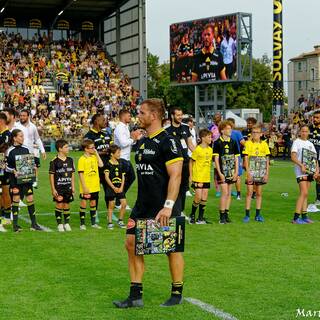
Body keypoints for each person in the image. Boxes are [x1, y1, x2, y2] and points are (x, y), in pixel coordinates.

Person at [113, 98, 184, 308]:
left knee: (171, 249)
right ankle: (135, 295)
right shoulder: (142, 143)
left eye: (142, 113)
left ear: (153, 116)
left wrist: (168, 205)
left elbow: (176, 175)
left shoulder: (168, 141)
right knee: (131, 244)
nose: (139, 116)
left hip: (164, 206)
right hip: (142, 205)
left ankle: (176, 293)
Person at [6, 129, 43, 232]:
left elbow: (31, 162)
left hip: (26, 179)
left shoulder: (26, 149)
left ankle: (34, 224)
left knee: (30, 198)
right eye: (21, 136)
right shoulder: (9, 151)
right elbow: (5, 167)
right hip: (15, 180)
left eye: (23, 136)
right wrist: (13, 170)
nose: (23, 138)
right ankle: (15, 225)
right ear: (15, 138)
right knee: (16, 200)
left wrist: (34, 167)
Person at [166, 107, 195, 216]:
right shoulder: (167, 131)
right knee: (173, 187)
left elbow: (190, 144)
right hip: (173, 164)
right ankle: (171, 209)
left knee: (183, 188)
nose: (180, 117)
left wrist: (199, 154)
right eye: (178, 115)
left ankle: (180, 210)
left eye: (181, 115)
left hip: (185, 163)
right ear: (172, 116)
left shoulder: (186, 128)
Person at [84, 113, 112, 221]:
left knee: (109, 191)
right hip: (95, 168)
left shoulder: (106, 134)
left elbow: (111, 146)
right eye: (102, 120)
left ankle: (109, 213)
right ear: (96, 121)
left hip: (107, 167)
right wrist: (101, 153)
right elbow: (87, 151)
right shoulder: (89, 136)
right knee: (95, 192)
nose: (105, 121)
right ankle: (94, 213)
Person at [213, 121, 239, 224]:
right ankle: (221, 216)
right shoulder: (217, 142)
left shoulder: (233, 142)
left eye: (230, 128)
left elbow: (237, 158)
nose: (230, 130)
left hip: (231, 171)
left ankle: (226, 214)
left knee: (229, 194)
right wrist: (220, 173)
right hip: (222, 172)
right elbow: (216, 159)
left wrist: (236, 172)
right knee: (224, 193)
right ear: (222, 130)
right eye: (228, 128)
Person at [242, 125, 270, 223]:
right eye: (253, 132)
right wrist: (248, 172)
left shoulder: (264, 144)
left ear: (261, 134)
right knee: (249, 193)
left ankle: (258, 215)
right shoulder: (248, 144)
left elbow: (267, 160)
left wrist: (267, 173)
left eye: (257, 132)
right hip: (251, 171)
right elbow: (245, 158)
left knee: (259, 193)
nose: (255, 134)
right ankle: (247, 215)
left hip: (261, 172)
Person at [113, 109, 141, 209]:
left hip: (126, 158)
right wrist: (133, 138)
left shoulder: (126, 127)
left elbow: (129, 143)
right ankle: (119, 201)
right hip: (121, 158)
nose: (130, 117)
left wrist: (134, 138)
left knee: (130, 178)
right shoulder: (120, 128)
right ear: (123, 116)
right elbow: (123, 143)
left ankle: (118, 200)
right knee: (125, 180)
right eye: (129, 116)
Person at [291, 125, 319, 224]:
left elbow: (315, 159)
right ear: (300, 132)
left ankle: (304, 216)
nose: (304, 133)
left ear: (308, 132)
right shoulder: (296, 142)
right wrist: (301, 165)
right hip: (300, 171)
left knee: (306, 194)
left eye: (306, 131)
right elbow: (293, 157)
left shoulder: (310, 144)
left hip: (309, 171)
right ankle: (295, 218)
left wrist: (317, 171)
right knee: (304, 193)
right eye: (302, 131)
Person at [14, 109, 46, 189]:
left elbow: (37, 139)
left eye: (24, 116)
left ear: (28, 116)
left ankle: (22, 199)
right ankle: (18, 199)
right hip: (17, 154)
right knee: (17, 180)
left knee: (27, 181)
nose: (22, 117)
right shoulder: (15, 126)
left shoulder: (33, 126)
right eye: (20, 116)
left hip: (29, 156)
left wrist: (43, 150)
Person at [49, 139, 75, 232]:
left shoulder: (70, 160)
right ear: (60, 149)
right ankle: (59, 224)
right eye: (66, 147)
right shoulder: (54, 161)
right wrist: (53, 189)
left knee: (67, 204)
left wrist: (73, 187)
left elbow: (72, 174)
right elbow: (51, 176)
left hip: (68, 187)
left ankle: (67, 223)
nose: (68, 149)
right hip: (58, 187)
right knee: (59, 204)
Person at [78, 139, 104, 230]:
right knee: (84, 204)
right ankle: (82, 224)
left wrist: (96, 153)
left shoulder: (94, 157)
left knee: (93, 203)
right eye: (92, 148)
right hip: (86, 186)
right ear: (86, 149)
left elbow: (101, 165)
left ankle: (93, 224)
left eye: (94, 147)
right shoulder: (82, 159)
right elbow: (80, 174)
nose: (94, 149)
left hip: (95, 186)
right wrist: (84, 187)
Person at [189, 129, 213, 224]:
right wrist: (191, 176)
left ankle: (200, 218)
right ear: (203, 138)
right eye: (209, 137)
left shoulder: (210, 150)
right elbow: (191, 162)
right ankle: (192, 215)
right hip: (197, 177)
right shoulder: (197, 149)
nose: (210, 138)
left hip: (206, 177)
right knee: (198, 197)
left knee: (204, 198)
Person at [104, 144, 126, 230]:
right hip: (111, 188)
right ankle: (109, 222)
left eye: (120, 152)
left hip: (119, 187)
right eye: (118, 153)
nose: (119, 154)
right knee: (111, 205)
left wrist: (121, 187)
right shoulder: (108, 164)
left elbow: (123, 176)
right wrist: (113, 187)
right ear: (112, 154)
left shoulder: (121, 163)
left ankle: (120, 220)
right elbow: (106, 177)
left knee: (124, 204)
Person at [227, 118, 245, 200]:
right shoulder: (237, 133)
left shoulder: (234, 133)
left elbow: (243, 143)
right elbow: (243, 143)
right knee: (235, 176)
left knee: (233, 175)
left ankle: (235, 193)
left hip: (232, 156)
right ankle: (237, 194)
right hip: (233, 156)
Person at [0, 112, 12, 226]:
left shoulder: (7, 134)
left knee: (5, 191)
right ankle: (2, 214)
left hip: (2, 163)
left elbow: (4, 148)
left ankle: (7, 216)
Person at [308, 110, 320, 204]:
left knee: (318, 177)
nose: (315, 119)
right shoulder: (309, 128)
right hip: (310, 158)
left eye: (317, 118)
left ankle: (318, 198)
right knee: (311, 178)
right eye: (314, 117)